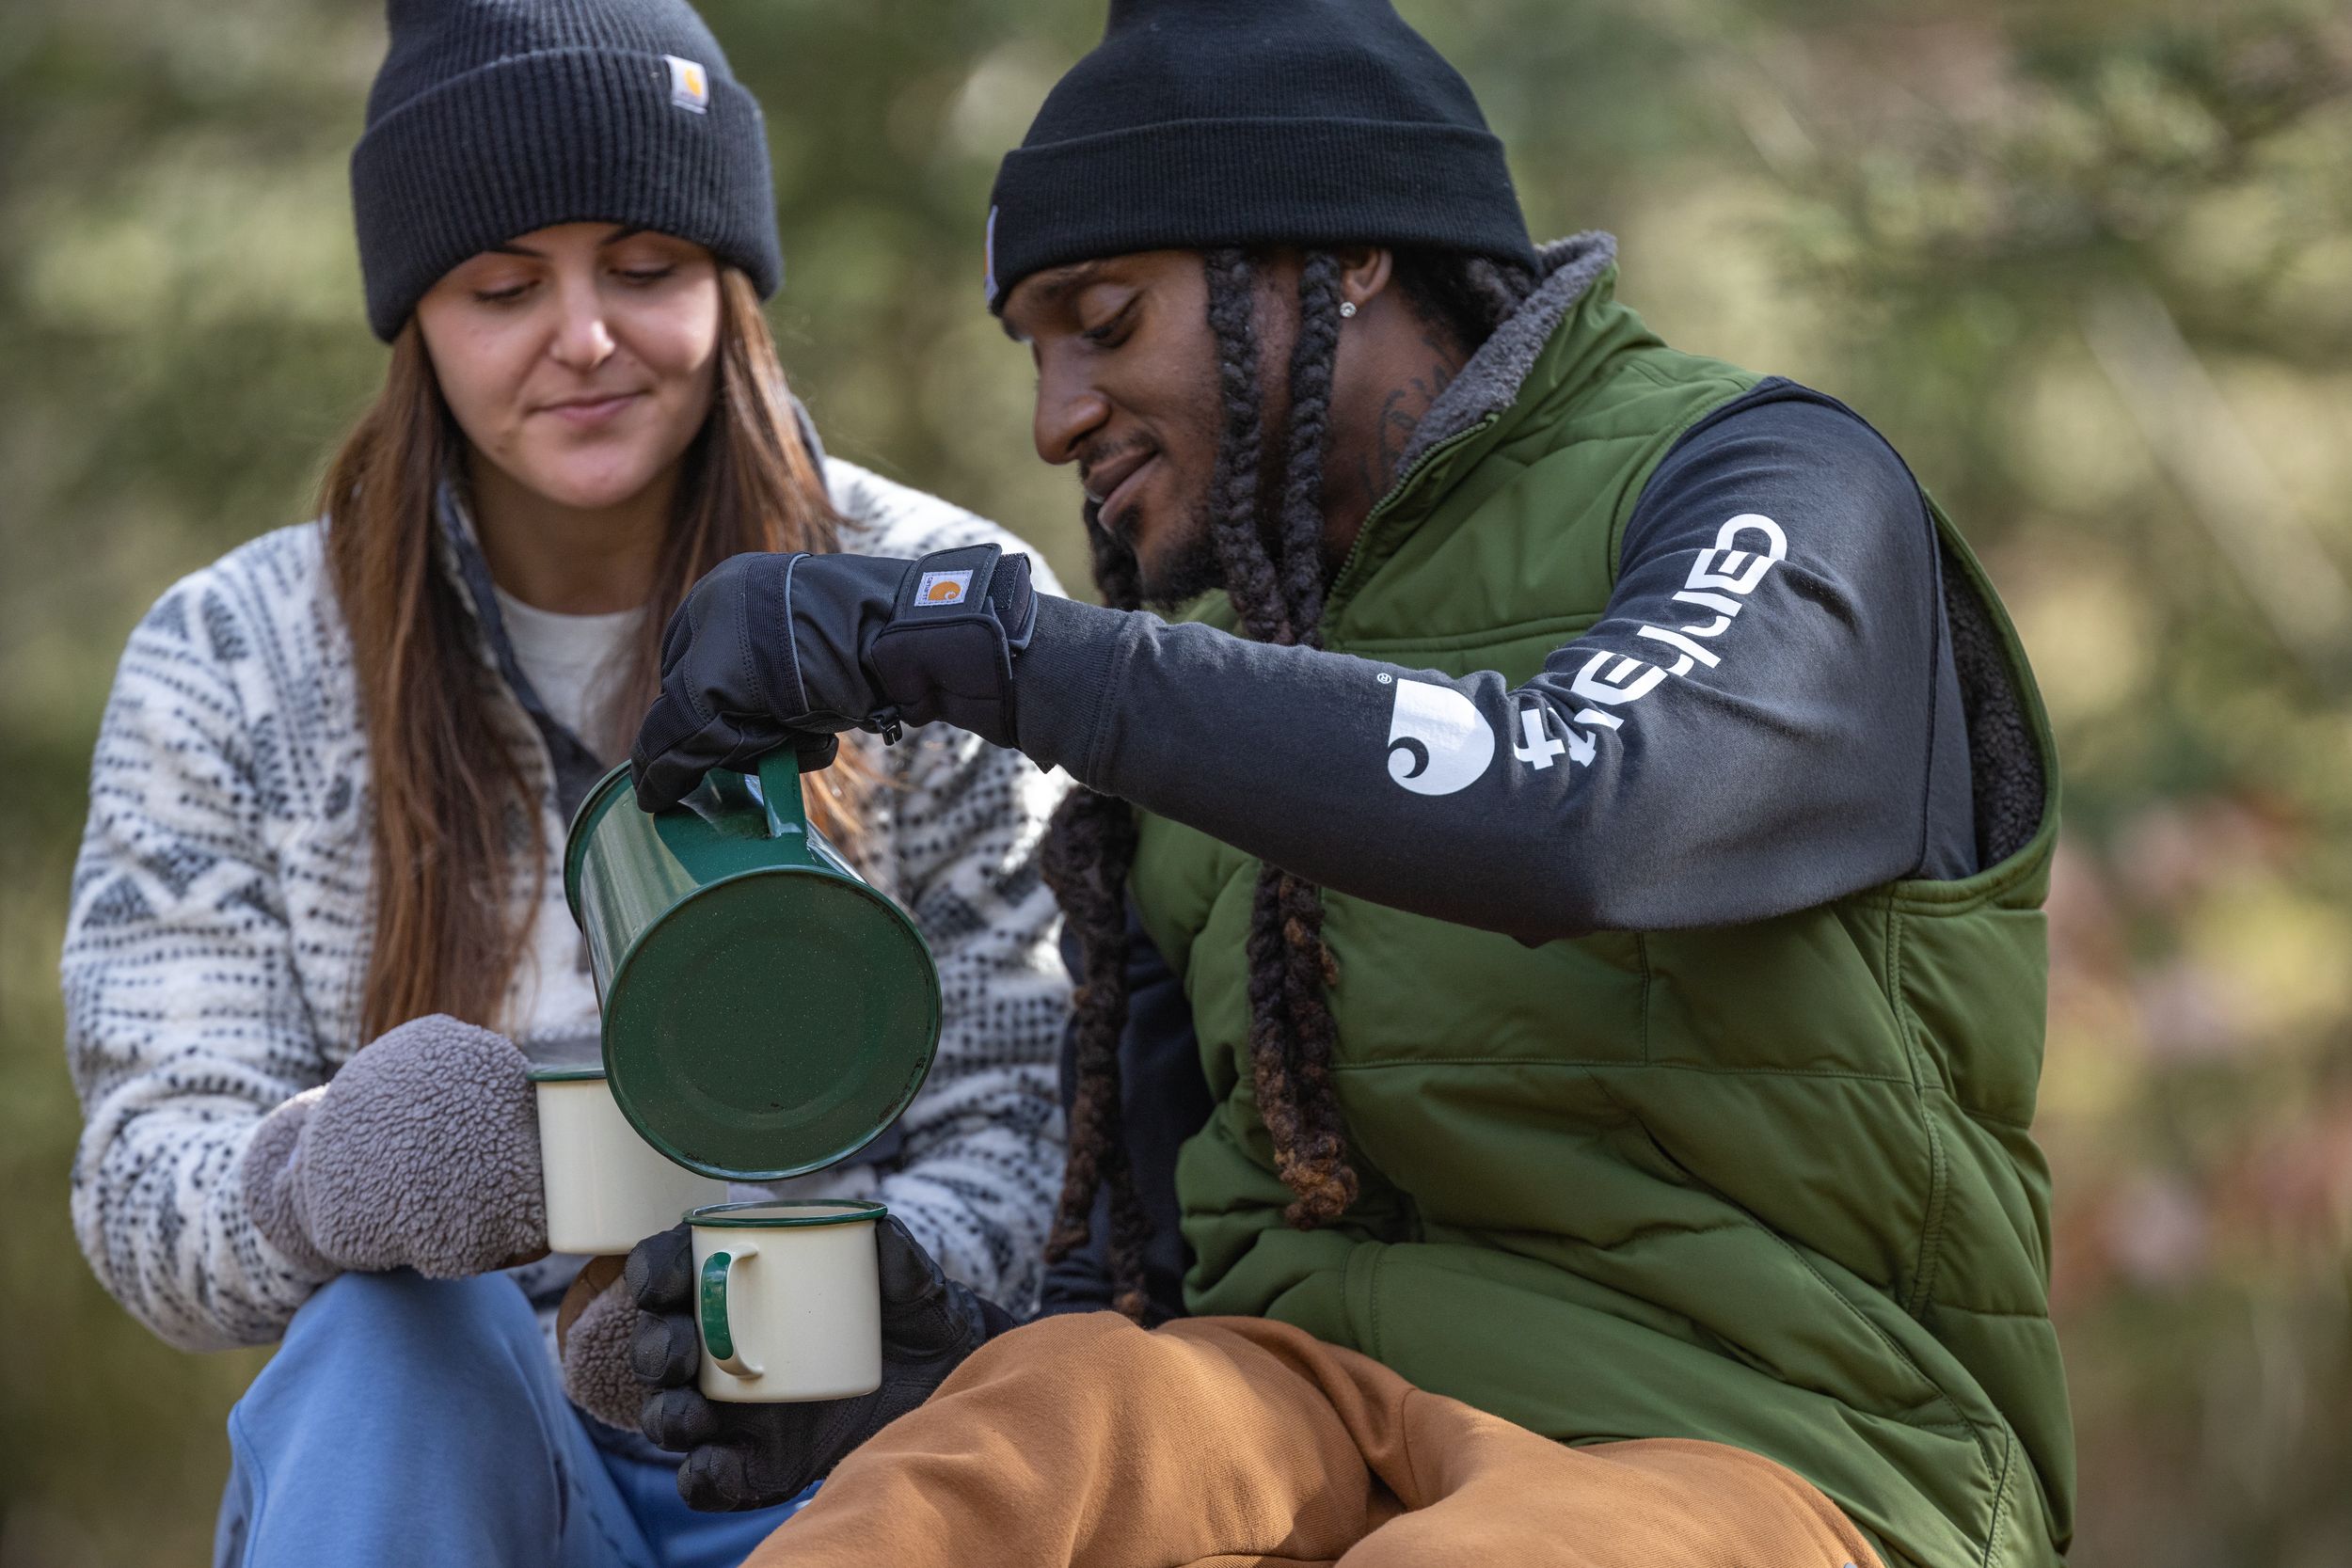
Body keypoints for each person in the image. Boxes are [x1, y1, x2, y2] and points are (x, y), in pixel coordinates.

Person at [610, 2, 2073, 1566]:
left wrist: (974, 644)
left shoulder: (1764, 484)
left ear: (1346, 255)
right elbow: (1149, 1255)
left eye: (1104, 323)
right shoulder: (1204, 682)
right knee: (988, 1471)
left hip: (1766, 1435)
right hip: (1295, 1403)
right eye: (1034, 356)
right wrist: (932, 1371)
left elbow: (1593, 803)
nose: (1055, 420)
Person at [57, 2, 1070, 1564]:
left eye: (648, 269)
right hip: (436, 1464)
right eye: (502, 286)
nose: (584, 337)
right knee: (391, 1342)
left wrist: (825, 1299)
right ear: (417, 321)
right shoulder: (234, 658)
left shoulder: (933, 606)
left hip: (848, 1456)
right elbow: (143, 1183)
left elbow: (1033, 1113)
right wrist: (321, 1181)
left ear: (733, 283)